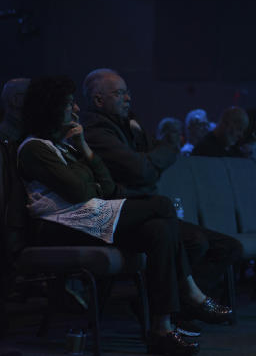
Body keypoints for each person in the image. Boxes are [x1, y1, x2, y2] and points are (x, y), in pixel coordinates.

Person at [17, 76, 231, 355]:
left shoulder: (68, 146)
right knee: (162, 206)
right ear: (50, 108)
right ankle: (190, 292)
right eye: (69, 104)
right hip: (58, 225)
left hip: (87, 216)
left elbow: (105, 186)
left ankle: (161, 328)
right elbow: (81, 192)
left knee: (159, 230)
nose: (76, 110)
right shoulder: (34, 148)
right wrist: (89, 181)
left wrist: (84, 148)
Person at [80, 68, 240, 314]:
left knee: (228, 247)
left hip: (148, 209)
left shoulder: (130, 127)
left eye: (127, 92)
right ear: (99, 100)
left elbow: (167, 150)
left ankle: (179, 306)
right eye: (119, 93)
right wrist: (146, 167)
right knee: (194, 242)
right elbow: (141, 171)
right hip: (120, 217)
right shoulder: (94, 132)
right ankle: (173, 310)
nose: (128, 98)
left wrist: (146, 164)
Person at [0, 78, 30, 148]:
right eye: (31, 94)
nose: (37, 99)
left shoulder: (19, 131)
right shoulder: (2, 136)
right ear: (16, 100)